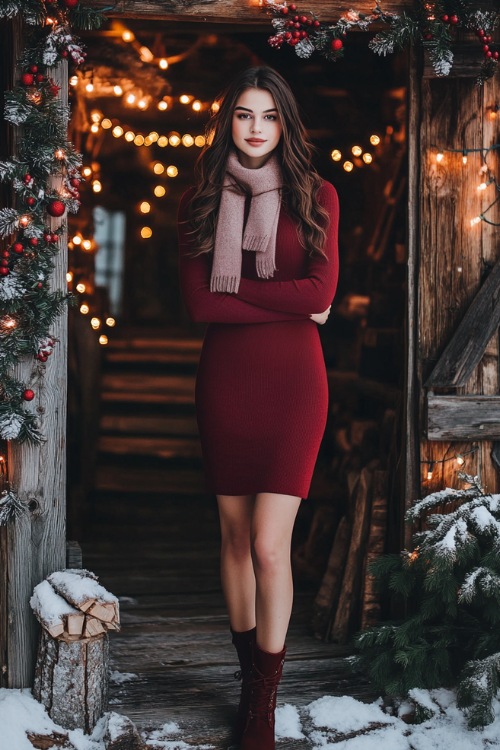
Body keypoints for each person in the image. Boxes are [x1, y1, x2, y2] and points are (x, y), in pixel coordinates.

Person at [177, 66, 339, 750]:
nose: (254, 127)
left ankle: (264, 704)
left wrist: (245, 289)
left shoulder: (318, 195)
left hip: (296, 386)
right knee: (236, 541)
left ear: (284, 125)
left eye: (267, 116)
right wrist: (294, 294)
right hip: (227, 384)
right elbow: (199, 304)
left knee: (272, 547)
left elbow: (322, 295)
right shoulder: (198, 201)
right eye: (243, 114)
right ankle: (249, 676)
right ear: (228, 123)